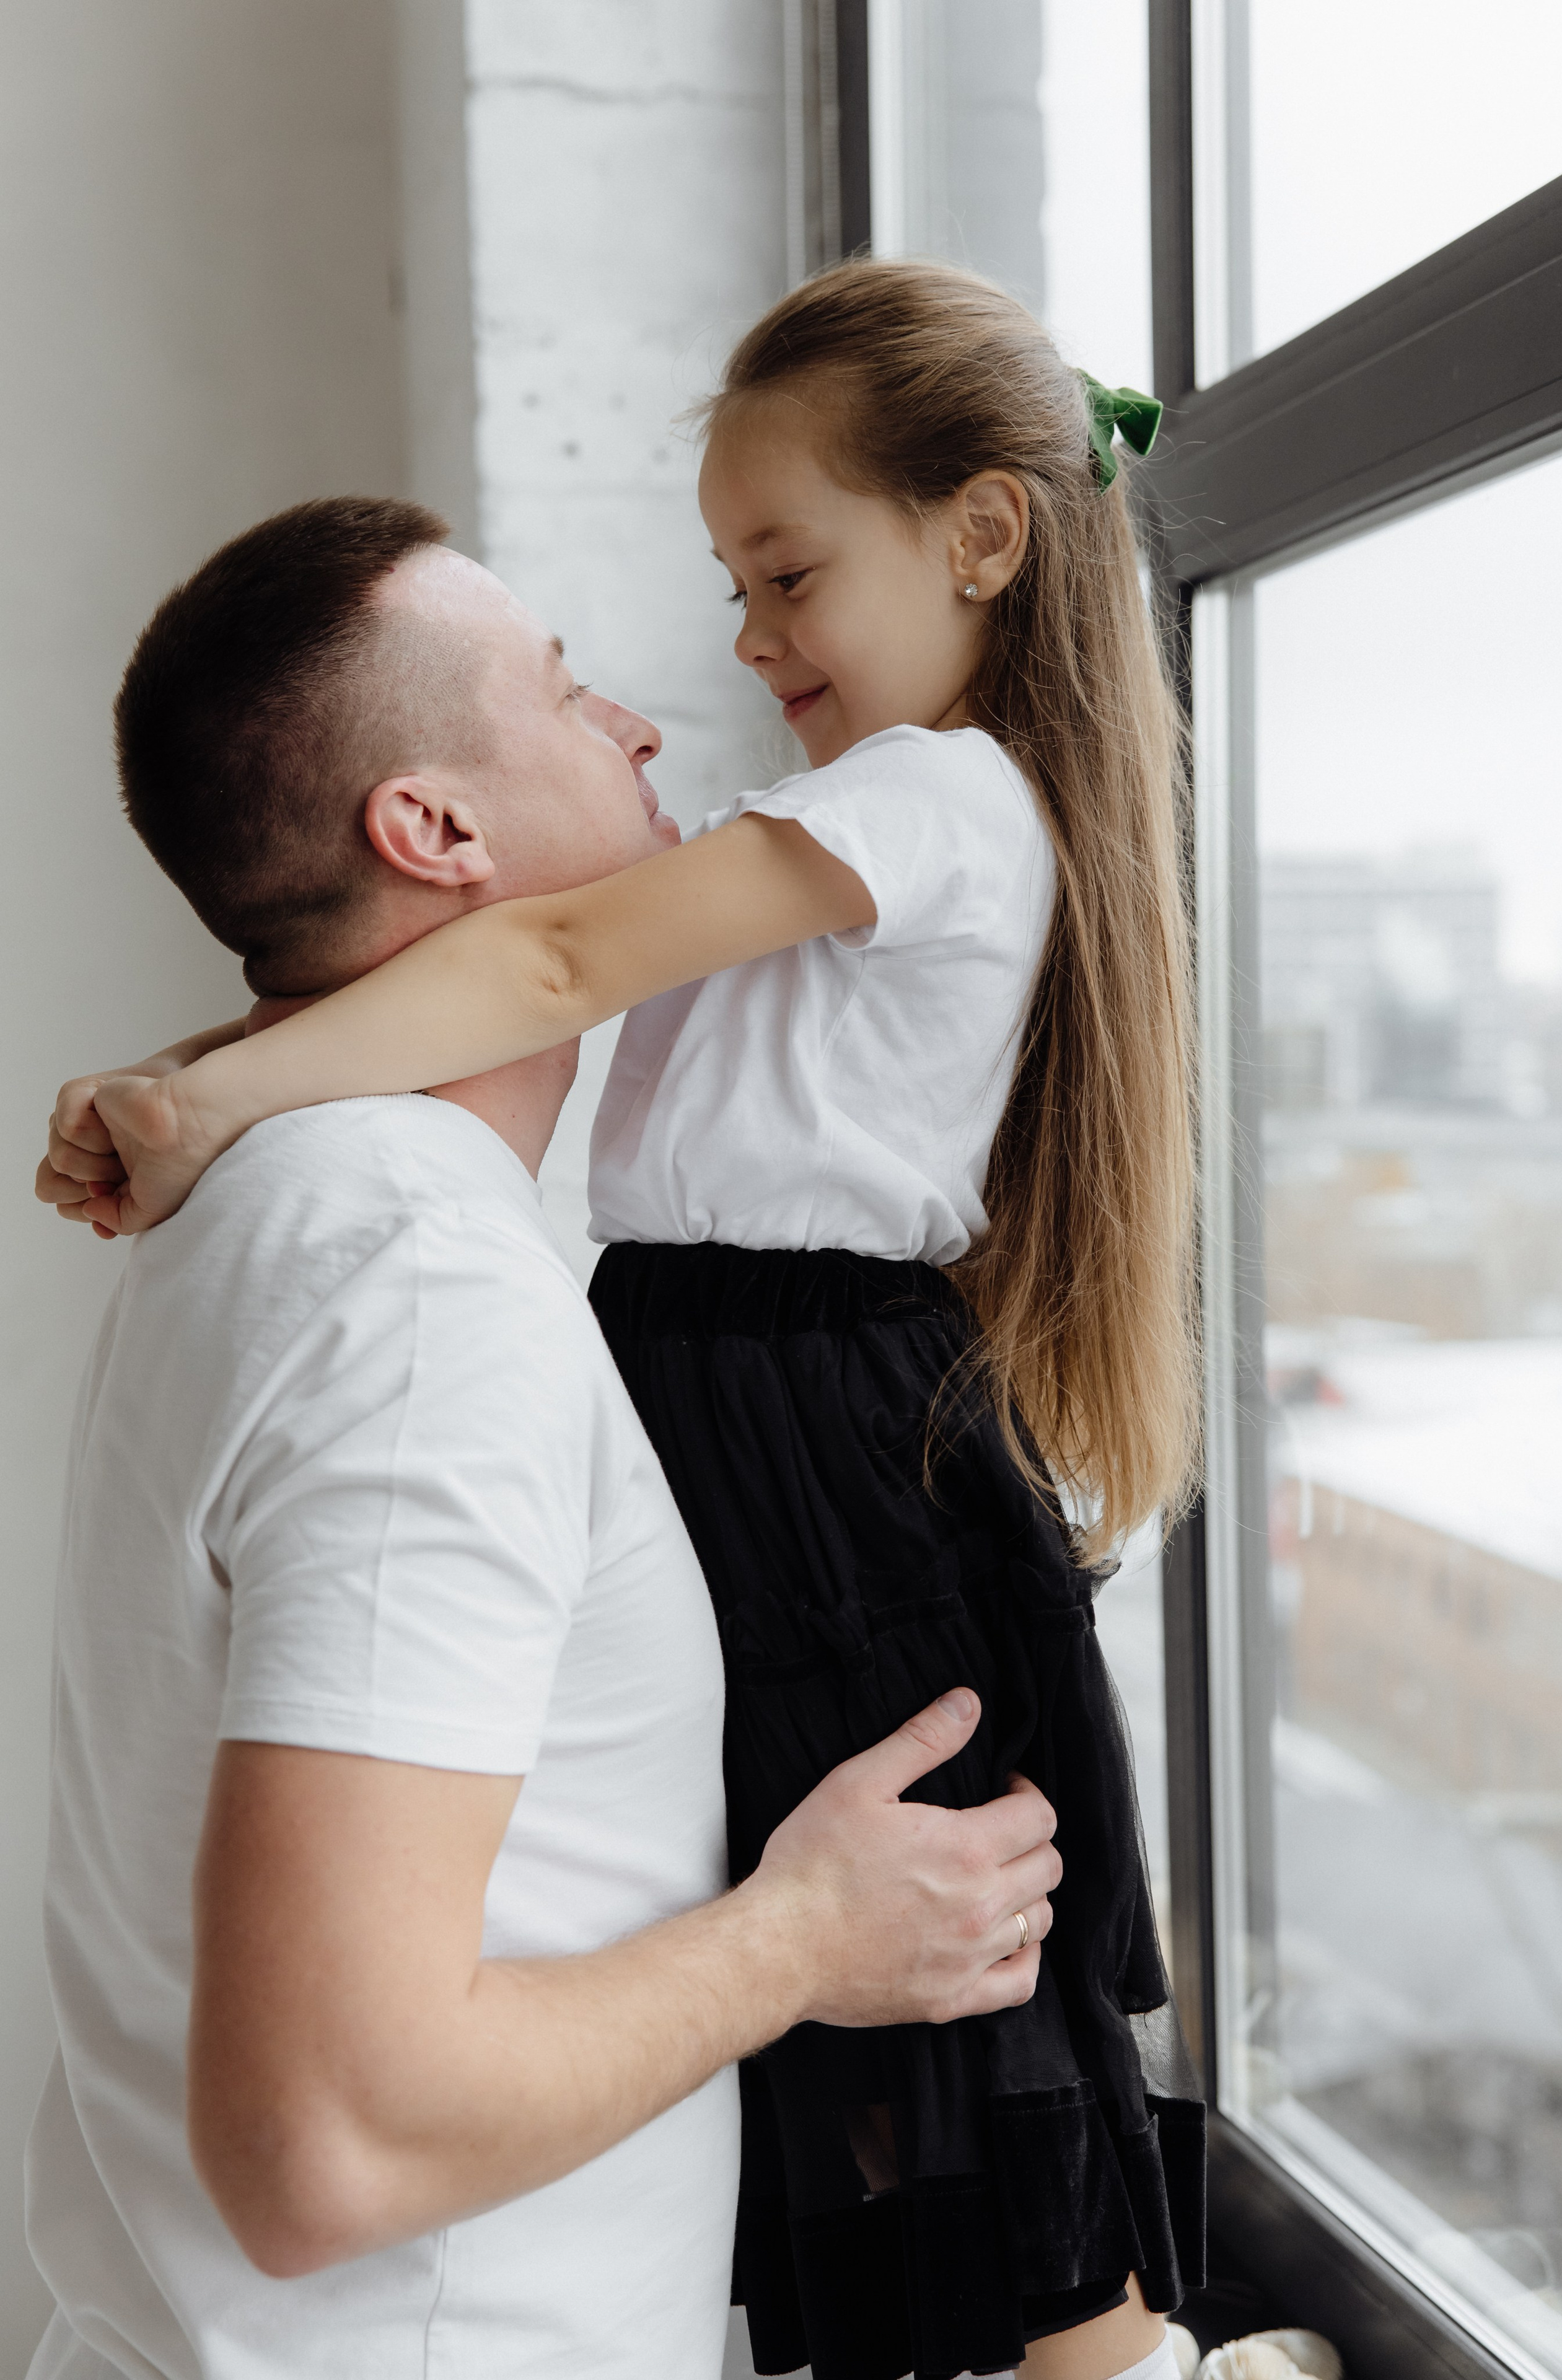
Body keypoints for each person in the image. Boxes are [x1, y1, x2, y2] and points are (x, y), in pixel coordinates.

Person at [45, 259, 1206, 2380]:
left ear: (978, 539)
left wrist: (213, 1085)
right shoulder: (408, 1289)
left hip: (799, 1379)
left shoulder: (304, 1224)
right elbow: (556, 962)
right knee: (885, 1891)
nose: (681, 693)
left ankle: (1102, 2341)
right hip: (743, 1370)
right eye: (576, 684)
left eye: (782, 579)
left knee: (948, 1907)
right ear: (435, 826)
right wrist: (792, 1942)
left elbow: (567, 959)